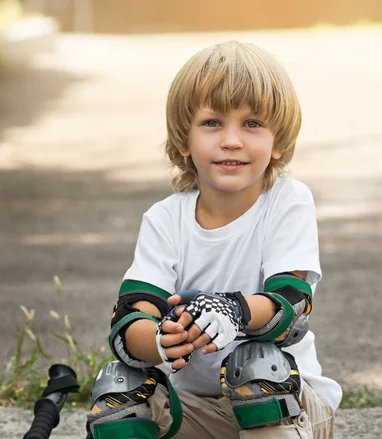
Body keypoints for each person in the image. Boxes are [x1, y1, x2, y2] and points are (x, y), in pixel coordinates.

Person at [85, 40, 342, 439]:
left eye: (252, 123)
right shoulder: (164, 219)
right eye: (212, 123)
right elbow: (129, 321)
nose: (232, 140)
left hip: (291, 405)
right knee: (122, 389)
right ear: (184, 139)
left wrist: (232, 309)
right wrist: (162, 339)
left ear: (280, 142)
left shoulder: (288, 201)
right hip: (199, 409)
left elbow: (291, 305)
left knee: (255, 366)